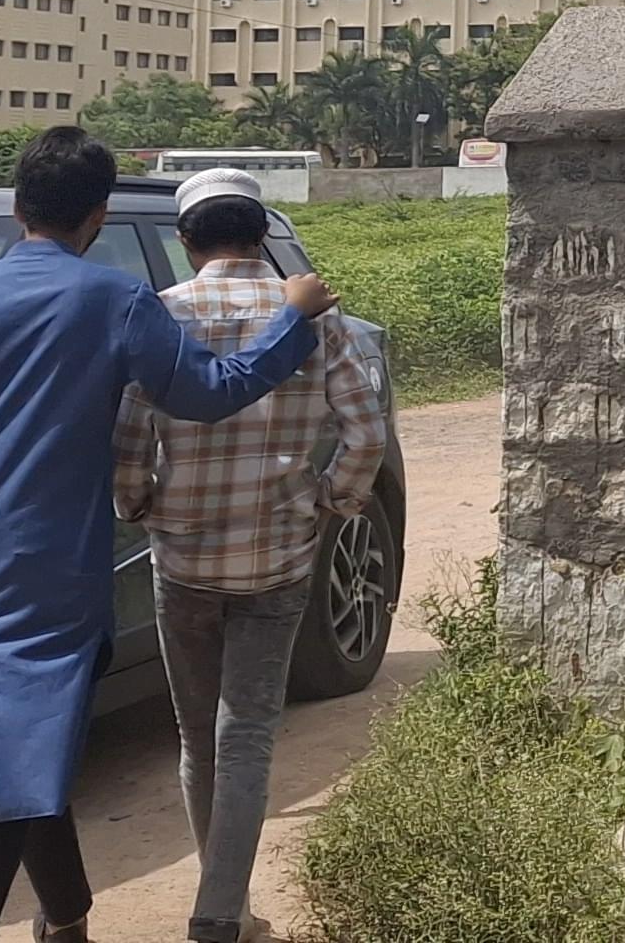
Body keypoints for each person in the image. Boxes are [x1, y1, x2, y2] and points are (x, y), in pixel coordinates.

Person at [0, 129, 338, 943]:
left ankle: (69, 917)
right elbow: (207, 393)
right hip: (55, 571)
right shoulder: (114, 301)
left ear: (17, 208)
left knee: (8, 757)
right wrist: (290, 321)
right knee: (13, 772)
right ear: (99, 215)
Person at [115, 171, 393, 943]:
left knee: (197, 735)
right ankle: (221, 911)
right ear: (260, 236)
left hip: (184, 562)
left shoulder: (163, 317)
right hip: (277, 559)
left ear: (186, 241)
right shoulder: (313, 318)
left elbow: (130, 441)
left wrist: (138, 506)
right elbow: (365, 434)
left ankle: (224, 901)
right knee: (248, 735)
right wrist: (332, 498)